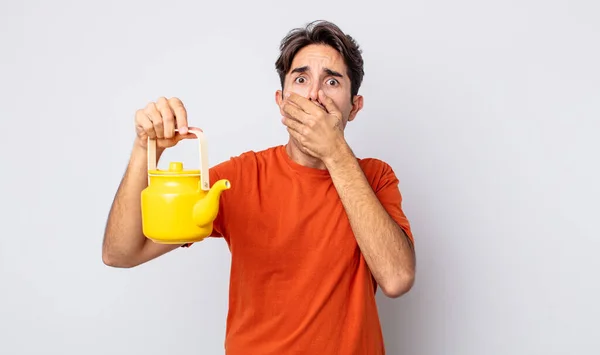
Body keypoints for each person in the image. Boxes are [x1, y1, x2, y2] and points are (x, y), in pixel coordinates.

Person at [102, 20, 416, 355]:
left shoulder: (375, 177)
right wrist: (143, 149)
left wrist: (335, 152)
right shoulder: (240, 177)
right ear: (281, 102)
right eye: (301, 78)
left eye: (332, 81)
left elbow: (397, 278)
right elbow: (121, 252)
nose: (314, 94)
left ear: (354, 106)